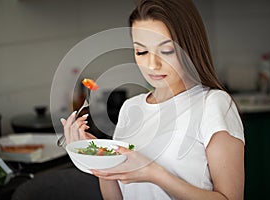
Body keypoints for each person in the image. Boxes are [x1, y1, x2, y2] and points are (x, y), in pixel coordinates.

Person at [60, 0, 245, 199]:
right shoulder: (130, 108)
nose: (152, 64)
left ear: (189, 47)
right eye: (141, 51)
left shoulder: (214, 105)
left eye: (166, 51)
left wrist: (153, 173)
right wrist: (99, 156)